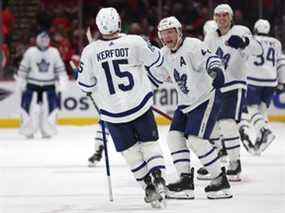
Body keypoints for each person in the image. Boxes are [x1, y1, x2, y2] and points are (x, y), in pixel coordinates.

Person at [76, 7, 167, 208]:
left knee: (131, 153)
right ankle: (159, 178)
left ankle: (147, 187)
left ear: (99, 26)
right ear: (119, 22)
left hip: (112, 114)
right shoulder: (135, 41)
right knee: (150, 144)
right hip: (140, 105)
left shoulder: (90, 51)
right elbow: (158, 60)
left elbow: (85, 85)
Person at [156, 16, 232, 200]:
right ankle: (185, 181)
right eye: (164, 33)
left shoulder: (192, 45)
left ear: (179, 32)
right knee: (174, 137)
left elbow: (211, 59)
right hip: (186, 103)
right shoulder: (164, 54)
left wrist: (216, 71)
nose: (167, 37)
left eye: (171, 32)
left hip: (206, 98)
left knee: (196, 140)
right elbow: (156, 77)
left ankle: (220, 180)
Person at [201, 4, 262, 181]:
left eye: (225, 15)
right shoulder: (211, 36)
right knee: (211, 128)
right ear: (214, 17)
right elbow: (203, 58)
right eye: (218, 15)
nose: (221, 18)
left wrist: (245, 43)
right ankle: (216, 161)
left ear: (231, 17)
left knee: (227, 123)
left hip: (234, 84)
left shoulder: (241, 30)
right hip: (215, 87)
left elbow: (258, 50)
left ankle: (235, 163)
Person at [239, 19, 285, 155]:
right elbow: (281, 63)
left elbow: (242, 57)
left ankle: (265, 130)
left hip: (253, 79)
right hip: (271, 81)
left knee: (252, 109)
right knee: (262, 110)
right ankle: (260, 139)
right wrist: (282, 81)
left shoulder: (251, 39)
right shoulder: (276, 43)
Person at [16, 31, 68, 139]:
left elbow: (60, 68)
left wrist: (63, 80)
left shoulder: (54, 52)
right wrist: (20, 81)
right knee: (29, 110)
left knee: (50, 110)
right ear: (37, 40)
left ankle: (47, 131)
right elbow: (23, 68)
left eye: (46, 39)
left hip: (49, 86)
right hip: (32, 86)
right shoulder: (30, 52)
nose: (44, 41)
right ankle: (28, 131)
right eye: (42, 39)